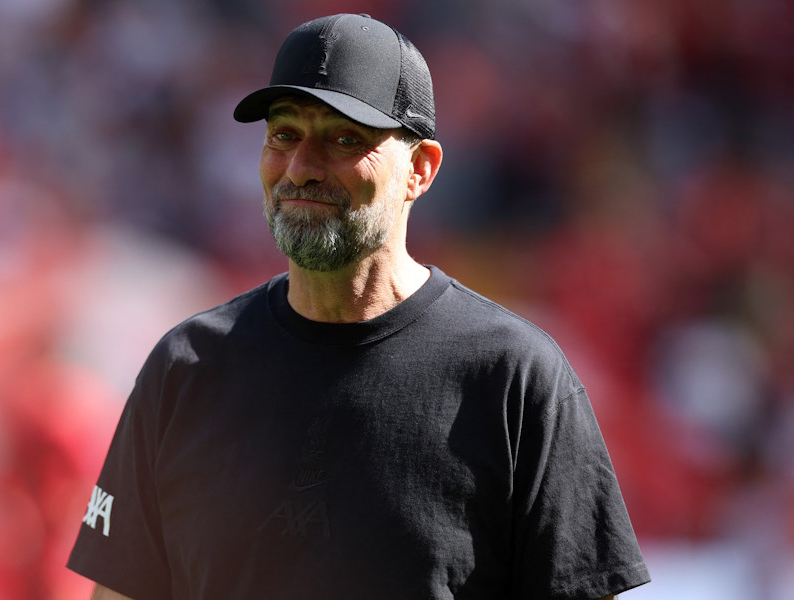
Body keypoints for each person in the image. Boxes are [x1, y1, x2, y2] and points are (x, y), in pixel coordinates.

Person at [67, 13, 651, 600]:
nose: (301, 168)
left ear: (420, 170)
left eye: (344, 139)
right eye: (284, 134)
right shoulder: (186, 368)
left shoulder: (513, 378)